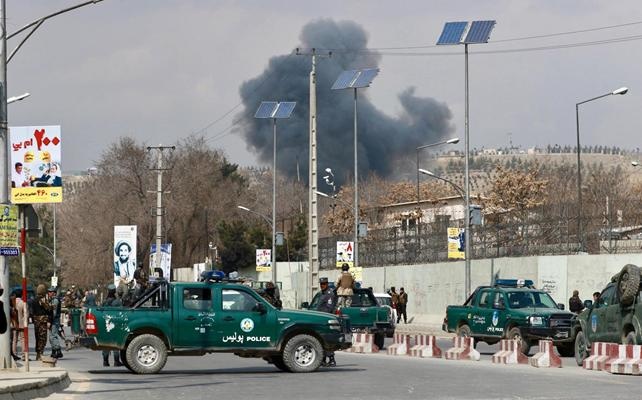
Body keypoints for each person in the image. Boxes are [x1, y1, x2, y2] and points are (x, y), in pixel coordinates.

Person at [314, 277, 337, 367]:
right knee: (321, 339)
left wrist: (322, 317)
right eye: (321, 284)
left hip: (325, 319)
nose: (322, 286)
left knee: (326, 340)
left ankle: (331, 359)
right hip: (320, 319)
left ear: (327, 284)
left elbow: (329, 308)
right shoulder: (322, 294)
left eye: (323, 284)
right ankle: (323, 359)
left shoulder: (329, 294)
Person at [101, 284, 124, 367]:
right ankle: (116, 361)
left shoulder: (104, 301)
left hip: (106, 324)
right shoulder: (117, 301)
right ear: (114, 291)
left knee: (106, 343)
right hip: (114, 324)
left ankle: (105, 361)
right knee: (115, 342)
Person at [32, 284, 51, 360]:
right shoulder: (43, 300)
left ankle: (38, 354)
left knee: (37, 337)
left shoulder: (34, 300)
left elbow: (32, 311)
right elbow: (48, 309)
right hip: (43, 321)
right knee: (42, 338)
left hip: (36, 321)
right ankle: (40, 354)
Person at [10, 290, 27, 361]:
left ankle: (14, 354)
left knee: (14, 340)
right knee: (23, 339)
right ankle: (24, 355)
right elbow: (26, 314)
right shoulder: (23, 303)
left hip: (14, 324)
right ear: (21, 295)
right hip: (22, 324)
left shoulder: (11, 303)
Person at [47, 287, 64, 358]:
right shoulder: (53, 300)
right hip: (54, 320)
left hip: (54, 320)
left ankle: (58, 350)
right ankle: (54, 351)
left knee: (53, 336)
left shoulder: (55, 301)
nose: (49, 293)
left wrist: (50, 321)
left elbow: (53, 313)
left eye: (50, 292)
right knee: (51, 337)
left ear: (53, 293)